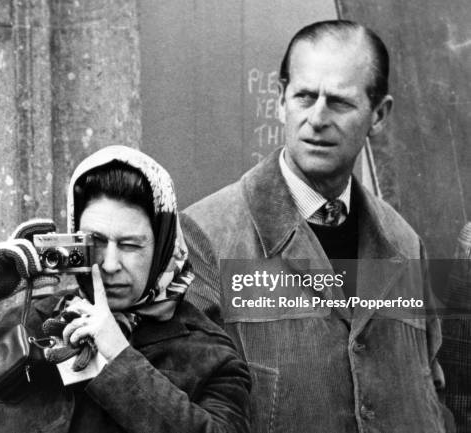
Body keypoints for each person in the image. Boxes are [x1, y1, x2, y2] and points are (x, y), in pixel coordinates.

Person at [181, 20, 451, 432]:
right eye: (305, 97)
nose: (317, 118)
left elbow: (429, 389)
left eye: (340, 102)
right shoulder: (206, 237)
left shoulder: (403, 242)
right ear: (280, 100)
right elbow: (181, 408)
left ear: (379, 115)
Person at [0, 145, 251, 433]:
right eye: (96, 242)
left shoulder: (209, 356)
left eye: (132, 245)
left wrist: (118, 356)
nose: (110, 263)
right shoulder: (31, 323)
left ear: (165, 246)